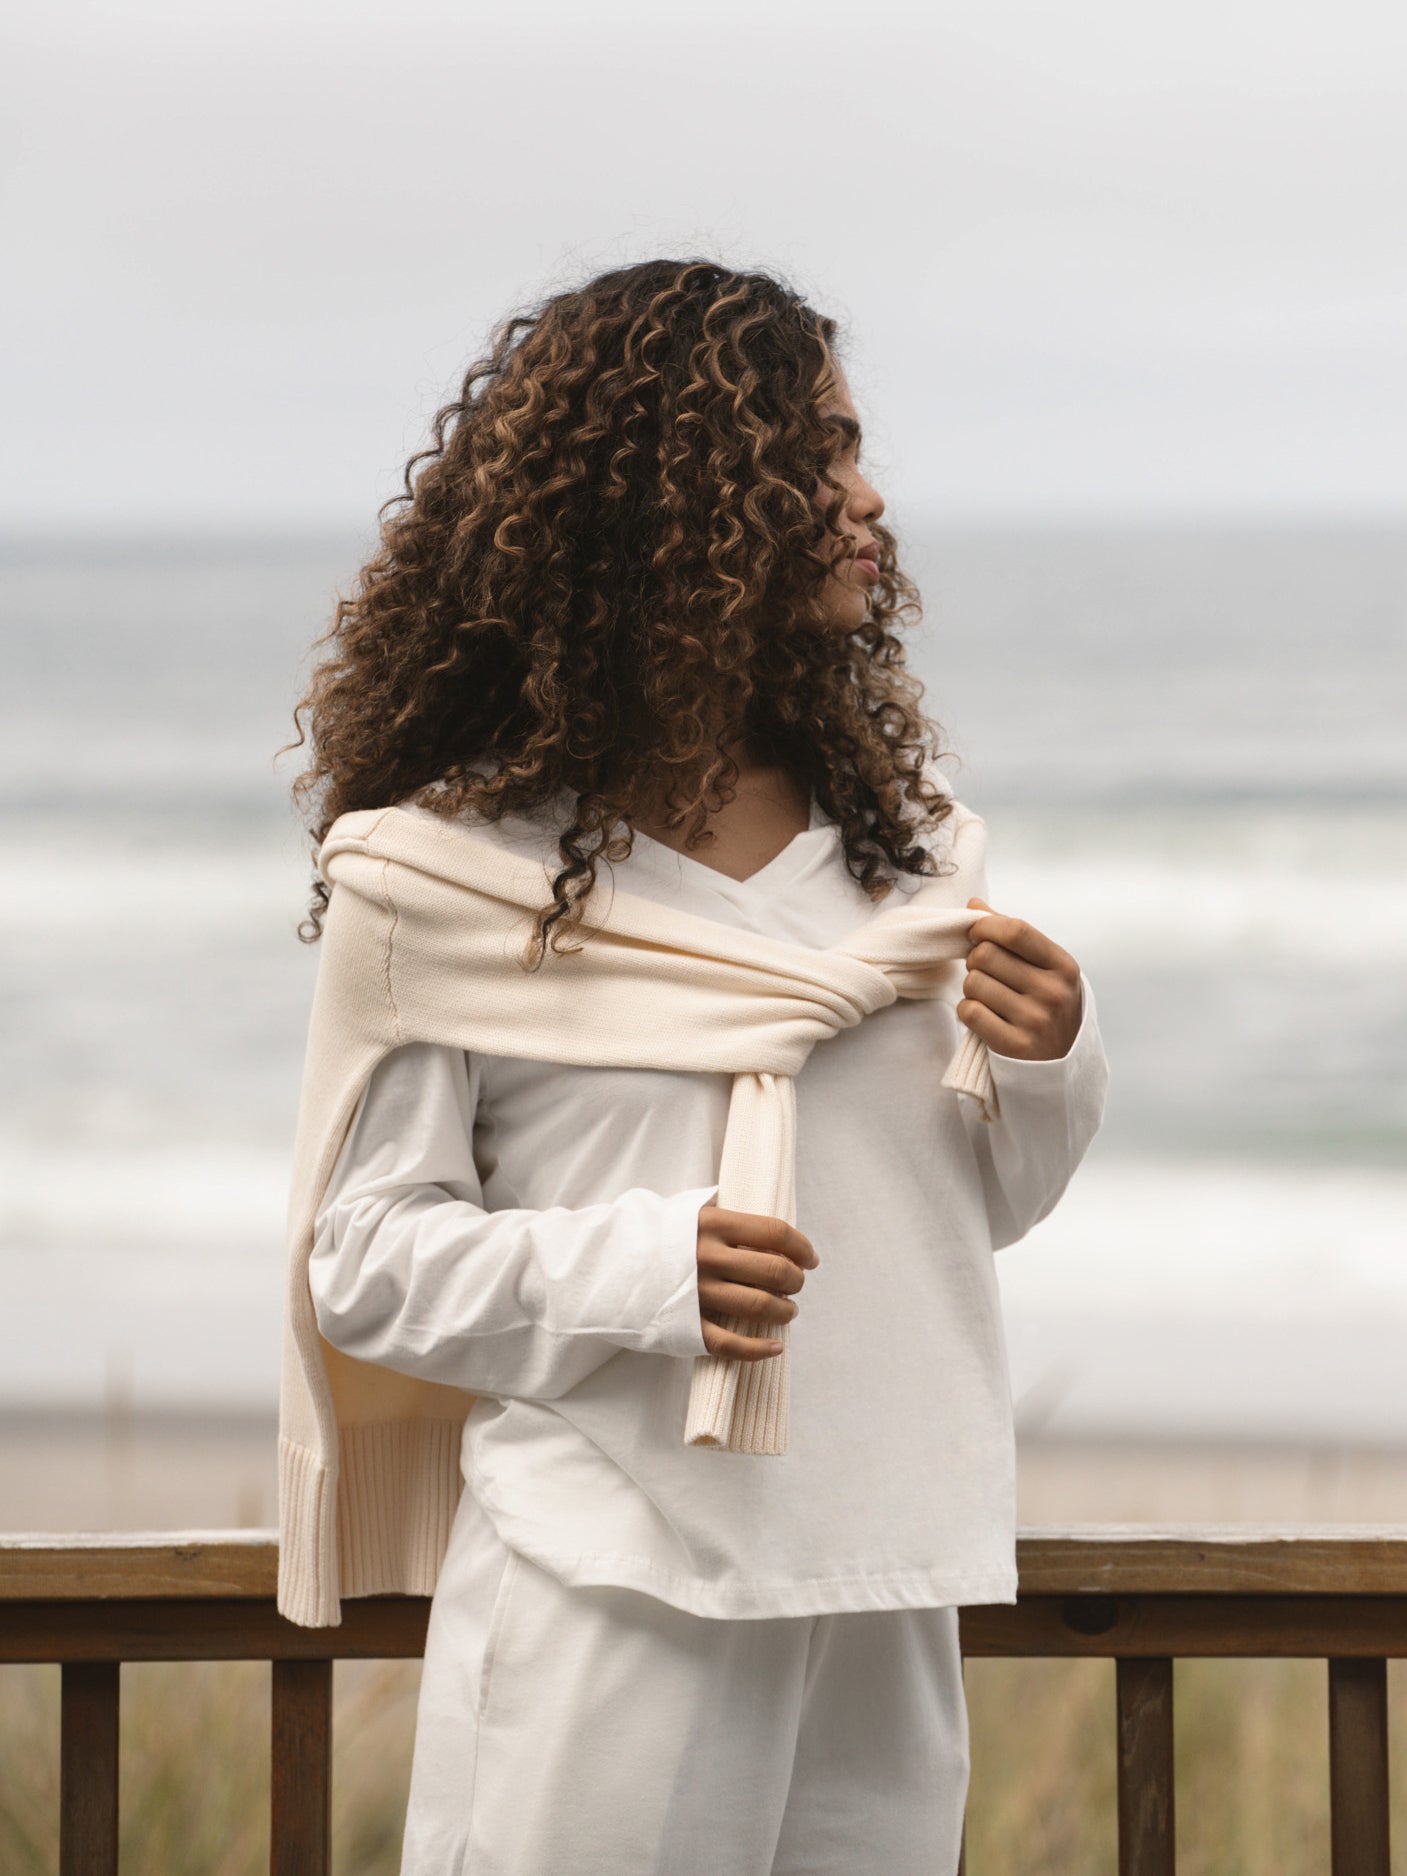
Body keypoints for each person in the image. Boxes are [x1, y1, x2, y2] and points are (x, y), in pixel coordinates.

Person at [285, 257, 1109, 1875]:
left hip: (882, 1580)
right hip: (611, 1581)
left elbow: (967, 1216)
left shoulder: (907, 852)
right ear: (678, 503)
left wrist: (1048, 1066)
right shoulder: (447, 875)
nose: (869, 501)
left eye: (861, 448)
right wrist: (645, 1271)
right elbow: (361, 1267)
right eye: (816, 458)